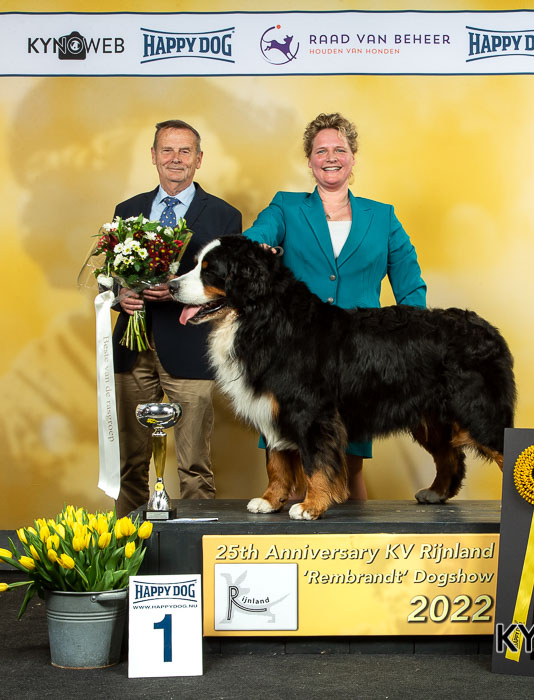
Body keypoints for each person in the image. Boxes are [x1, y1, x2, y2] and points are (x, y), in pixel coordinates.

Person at [244, 112, 426, 500]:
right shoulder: (285, 206)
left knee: (348, 467)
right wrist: (256, 246)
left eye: (339, 149)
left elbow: (410, 283)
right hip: (293, 358)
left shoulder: (383, 216)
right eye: (321, 150)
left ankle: (351, 540)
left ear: (353, 157)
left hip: (357, 360)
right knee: (292, 463)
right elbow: (260, 232)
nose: (331, 157)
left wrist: (412, 342)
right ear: (309, 160)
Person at [113, 119, 242, 517]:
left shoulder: (224, 215)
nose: (175, 158)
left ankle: (196, 543)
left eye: (185, 151)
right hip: (131, 350)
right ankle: (128, 544)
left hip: (190, 350)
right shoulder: (127, 210)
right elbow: (112, 274)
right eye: (167, 150)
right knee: (129, 465)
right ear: (153, 156)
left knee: (194, 465)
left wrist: (175, 291)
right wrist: (120, 295)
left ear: (198, 159)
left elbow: (230, 287)